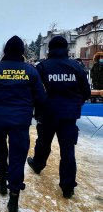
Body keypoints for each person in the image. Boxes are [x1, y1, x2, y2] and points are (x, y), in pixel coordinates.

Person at [0, 36, 46, 212]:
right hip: (21, 121)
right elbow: (41, 97)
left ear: (5, 51)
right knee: (18, 157)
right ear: (22, 52)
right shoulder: (30, 70)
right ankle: (14, 197)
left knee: (0, 150)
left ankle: (2, 179)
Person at [27, 36, 91, 199]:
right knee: (68, 151)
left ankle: (38, 165)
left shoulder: (43, 67)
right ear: (66, 49)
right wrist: (75, 105)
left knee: (43, 143)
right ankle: (68, 187)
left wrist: (37, 109)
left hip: (48, 114)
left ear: (50, 49)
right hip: (69, 116)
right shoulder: (76, 67)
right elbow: (86, 92)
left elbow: (35, 92)